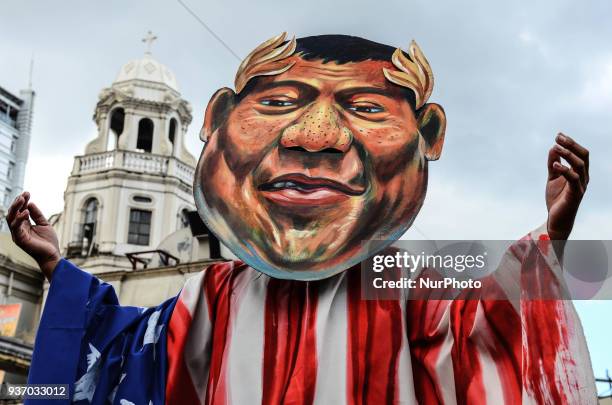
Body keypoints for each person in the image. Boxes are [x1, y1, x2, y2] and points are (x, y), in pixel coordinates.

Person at [7, 34, 595, 404]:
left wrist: (549, 239)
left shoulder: (408, 281)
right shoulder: (211, 292)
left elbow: (484, 318)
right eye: (278, 105)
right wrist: (60, 267)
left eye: (365, 110)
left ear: (427, 135)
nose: (314, 138)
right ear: (218, 121)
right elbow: (124, 352)